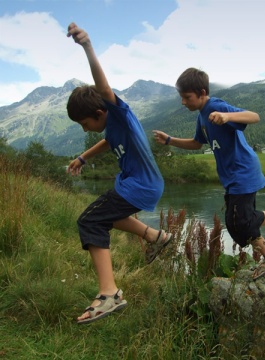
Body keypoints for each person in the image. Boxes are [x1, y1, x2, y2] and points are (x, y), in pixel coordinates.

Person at [66, 23, 172, 324]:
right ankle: (157, 236)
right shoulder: (112, 126)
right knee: (108, 216)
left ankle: (109, 294)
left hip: (139, 187)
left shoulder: (118, 113)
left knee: (89, 219)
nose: (84, 129)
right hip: (139, 185)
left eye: (84, 123)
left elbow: (103, 88)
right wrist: (83, 158)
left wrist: (87, 46)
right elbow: (107, 141)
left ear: (100, 113)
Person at [152, 67, 265, 280]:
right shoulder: (202, 116)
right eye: (181, 97)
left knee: (241, 222)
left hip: (243, 171)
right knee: (234, 225)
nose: (183, 102)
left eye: (187, 97)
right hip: (231, 177)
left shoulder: (215, 106)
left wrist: (226, 116)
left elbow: (254, 117)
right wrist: (169, 140)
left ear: (202, 93)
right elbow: (196, 144)